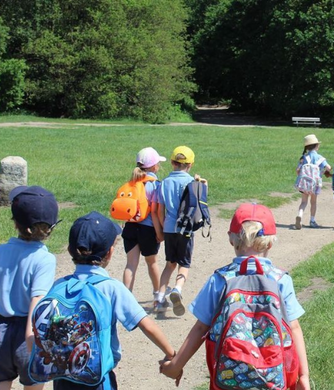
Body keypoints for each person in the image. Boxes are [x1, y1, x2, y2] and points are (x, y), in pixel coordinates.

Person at [159, 203, 311, 390]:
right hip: (274, 375)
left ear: (231, 240)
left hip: (228, 376)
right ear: (270, 242)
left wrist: (176, 366)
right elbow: (294, 327)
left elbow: (200, 329)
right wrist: (303, 375)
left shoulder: (220, 279)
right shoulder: (280, 280)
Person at [52, 211, 175, 389]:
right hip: (98, 378)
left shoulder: (59, 285)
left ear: (70, 250)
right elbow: (146, 325)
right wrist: (172, 355)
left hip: (63, 377)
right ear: (110, 252)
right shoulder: (111, 287)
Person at [0, 186, 59, 390]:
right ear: (51, 227)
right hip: (28, 332)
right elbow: (37, 301)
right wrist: (33, 340)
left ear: (15, 223)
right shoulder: (44, 259)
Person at [156, 146, 206, 316]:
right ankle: (177, 289)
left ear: (172, 162)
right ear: (190, 164)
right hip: (186, 229)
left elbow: (160, 210)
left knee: (169, 264)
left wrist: (163, 228)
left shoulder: (164, 183)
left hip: (169, 228)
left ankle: (160, 298)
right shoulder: (192, 182)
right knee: (184, 264)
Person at [121, 147, 165, 306]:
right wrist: (159, 232)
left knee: (130, 265)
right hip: (148, 229)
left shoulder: (132, 182)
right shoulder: (154, 184)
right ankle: (158, 295)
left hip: (130, 228)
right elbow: (155, 211)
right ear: (154, 167)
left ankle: (125, 299)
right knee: (152, 262)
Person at [294, 134, 331, 229]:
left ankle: (300, 215)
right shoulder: (320, 158)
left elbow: (297, 170)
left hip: (304, 184)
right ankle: (312, 220)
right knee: (313, 202)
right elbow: (328, 167)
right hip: (315, 185)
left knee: (303, 202)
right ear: (316, 146)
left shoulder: (304, 158)